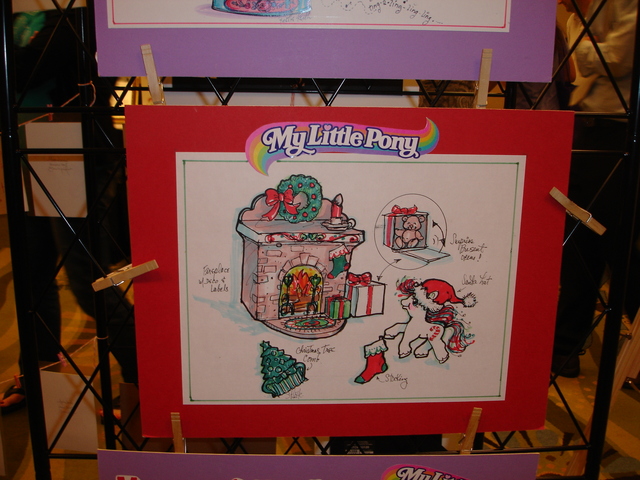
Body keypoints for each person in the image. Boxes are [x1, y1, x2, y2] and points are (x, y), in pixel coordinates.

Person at [1, 10, 135, 413]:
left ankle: (143, 379)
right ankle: (36, 376)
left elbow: (23, 71)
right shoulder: (25, 22)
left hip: (78, 158)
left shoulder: (80, 17)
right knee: (33, 276)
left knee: (87, 280)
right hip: (28, 153)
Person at [552, 0, 638, 377]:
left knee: (618, 244)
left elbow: (615, 57)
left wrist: (578, 31)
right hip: (586, 125)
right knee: (579, 239)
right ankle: (565, 348)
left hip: (620, 130)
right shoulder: (585, 10)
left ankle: (633, 352)